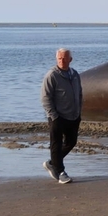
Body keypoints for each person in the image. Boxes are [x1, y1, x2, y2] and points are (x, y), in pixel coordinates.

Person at [40, 48, 83, 184]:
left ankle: (53, 162)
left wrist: (78, 111)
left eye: (65, 58)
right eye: (59, 58)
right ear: (56, 59)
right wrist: (53, 116)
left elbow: (79, 93)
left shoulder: (75, 74)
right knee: (56, 145)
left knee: (71, 142)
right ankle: (60, 172)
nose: (62, 61)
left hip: (73, 115)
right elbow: (45, 98)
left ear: (70, 59)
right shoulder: (51, 75)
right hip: (57, 117)